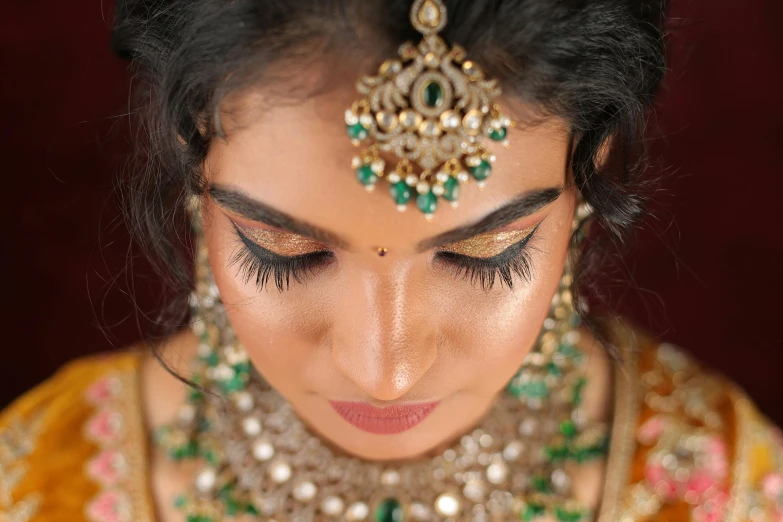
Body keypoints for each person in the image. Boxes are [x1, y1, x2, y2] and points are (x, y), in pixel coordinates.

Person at [1, 1, 781, 521]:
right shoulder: (41, 482)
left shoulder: (724, 488)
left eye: (482, 255)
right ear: (190, 159)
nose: (385, 371)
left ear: (591, 168)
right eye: (288, 252)